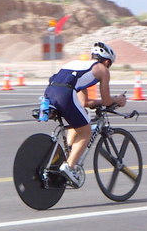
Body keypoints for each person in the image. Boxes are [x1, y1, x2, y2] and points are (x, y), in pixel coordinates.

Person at [44, 42, 126, 187]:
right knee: (86, 132)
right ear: (107, 61)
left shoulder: (80, 65)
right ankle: (68, 167)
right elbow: (107, 101)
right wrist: (117, 100)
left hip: (50, 93)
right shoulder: (102, 69)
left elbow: (84, 103)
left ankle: (67, 156)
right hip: (66, 94)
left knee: (78, 122)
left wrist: (96, 102)